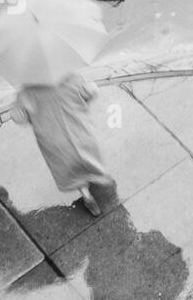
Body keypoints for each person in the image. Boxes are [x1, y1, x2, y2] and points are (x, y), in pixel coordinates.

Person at [11, 72, 115, 216]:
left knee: (69, 166)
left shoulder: (26, 93)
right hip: (79, 130)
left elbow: (18, 118)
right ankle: (99, 176)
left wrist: (28, 114)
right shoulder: (72, 78)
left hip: (53, 141)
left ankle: (86, 195)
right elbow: (92, 91)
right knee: (89, 156)